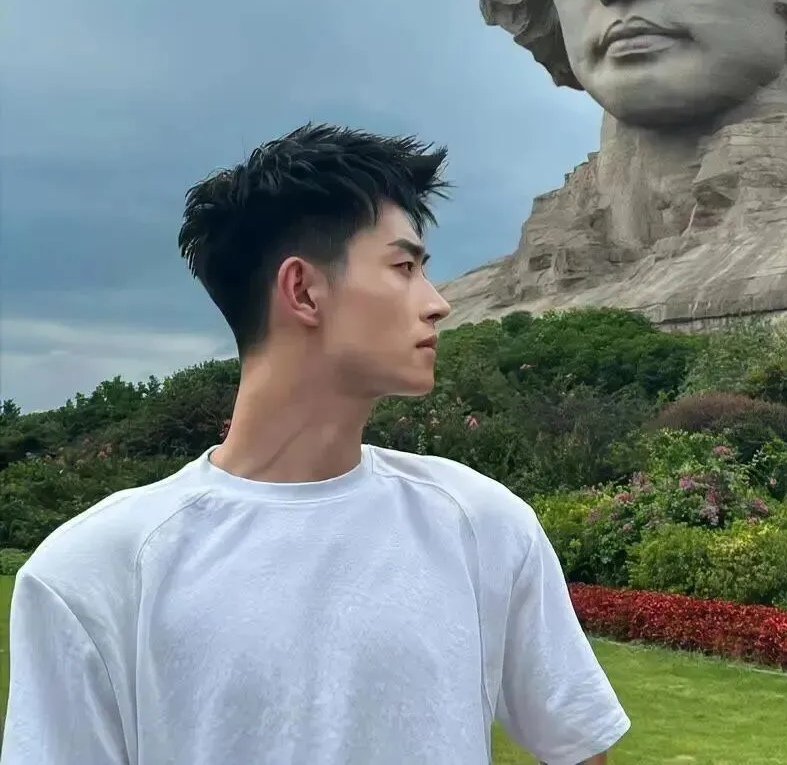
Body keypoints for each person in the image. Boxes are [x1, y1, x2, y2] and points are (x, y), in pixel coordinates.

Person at [1, 123, 630, 764]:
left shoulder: (482, 524)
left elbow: (577, 744)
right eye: (404, 267)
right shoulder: (92, 571)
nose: (438, 303)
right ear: (302, 290)